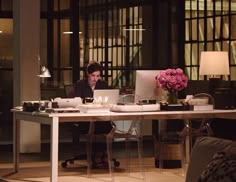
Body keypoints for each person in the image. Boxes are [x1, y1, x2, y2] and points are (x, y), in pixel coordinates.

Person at [74, 61, 112, 168]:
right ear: (87, 74)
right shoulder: (80, 84)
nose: (95, 79)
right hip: (85, 118)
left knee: (106, 124)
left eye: (98, 76)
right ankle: (99, 154)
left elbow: (108, 100)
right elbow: (78, 102)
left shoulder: (103, 84)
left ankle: (102, 153)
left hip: (100, 116)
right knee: (97, 126)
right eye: (93, 76)